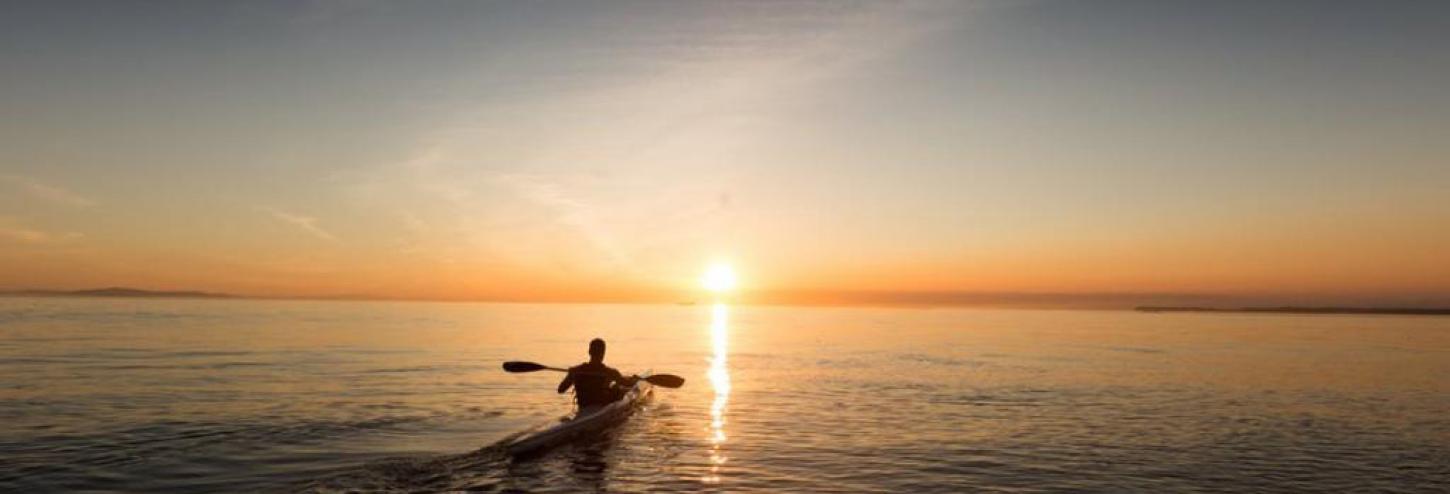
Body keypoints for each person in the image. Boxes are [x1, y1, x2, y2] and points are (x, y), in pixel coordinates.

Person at [557, 338, 638, 408]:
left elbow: (561, 389)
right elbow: (628, 384)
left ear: (589, 352)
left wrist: (570, 375)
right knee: (618, 388)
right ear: (603, 354)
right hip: (602, 402)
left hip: (584, 404)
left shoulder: (576, 370)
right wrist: (635, 380)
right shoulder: (610, 372)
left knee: (615, 386)